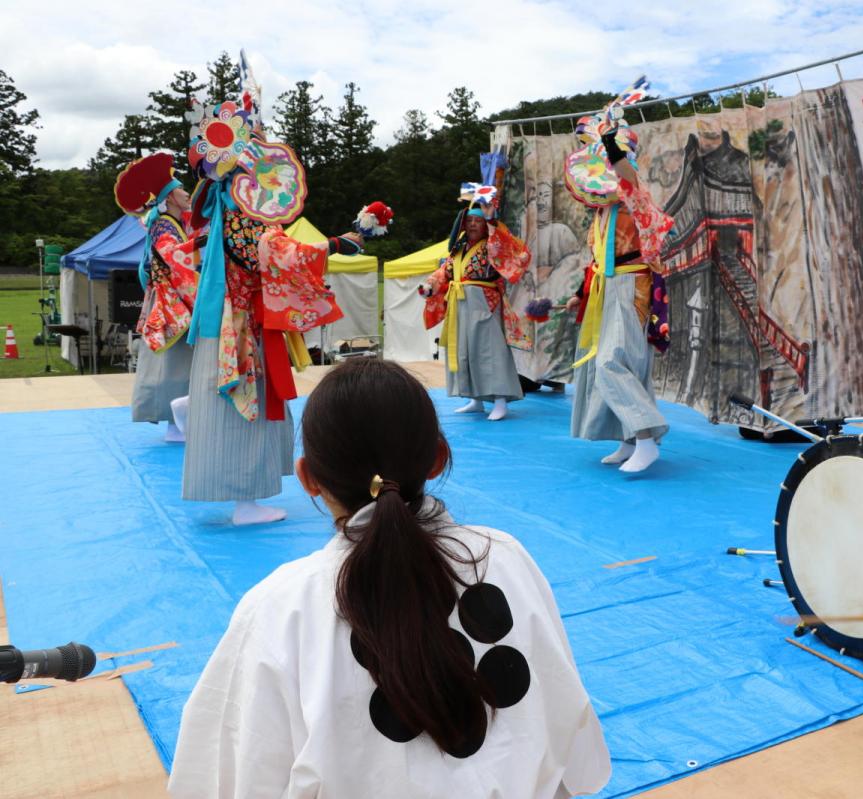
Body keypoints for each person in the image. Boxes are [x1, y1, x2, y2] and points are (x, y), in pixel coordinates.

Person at [169, 359, 611, 797]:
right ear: (438, 458)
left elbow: (226, 773)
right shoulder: (504, 557)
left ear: (307, 479)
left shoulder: (283, 606)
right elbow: (568, 727)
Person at [181, 94, 361, 526]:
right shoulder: (244, 213)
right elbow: (273, 254)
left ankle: (239, 487)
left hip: (234, 321)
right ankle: (245, 500)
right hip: (240, 329)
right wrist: (336, 244)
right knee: (247, 409)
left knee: (237, 406)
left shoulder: (227, 208)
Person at [565, 127, 674, 473]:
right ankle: (628, 440)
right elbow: (597, 258)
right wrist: (579, 295)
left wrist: (611, 147)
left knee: (612, 361)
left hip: (632, 284)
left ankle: (645, 437)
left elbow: (628, 177)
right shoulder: (602, 212)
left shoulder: (633, 196)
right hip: (607, 286)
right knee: (626, 363)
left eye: (611, 160)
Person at [113, 152, 196, 441]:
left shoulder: (170, 224)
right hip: (174, 305)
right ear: (170, 197)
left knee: (175, 365)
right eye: (182, 189)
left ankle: (178, 423)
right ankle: (177, 424)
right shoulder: (164, 225)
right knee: (174, 365)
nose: (187, 193)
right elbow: (175, 259)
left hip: (171, 302)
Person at [423, 200, 531, 421]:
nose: (473, 224)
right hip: (461, 303)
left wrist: (492, 221)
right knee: (465, 351)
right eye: (470, 220)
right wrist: (429, 286)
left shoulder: (491, 243)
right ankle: (475, 399)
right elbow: (444, 272)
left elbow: (505, 248)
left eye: (478, 221)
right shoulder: (458, 248)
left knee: (490, 351)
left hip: (484, 301)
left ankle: (500, 400)